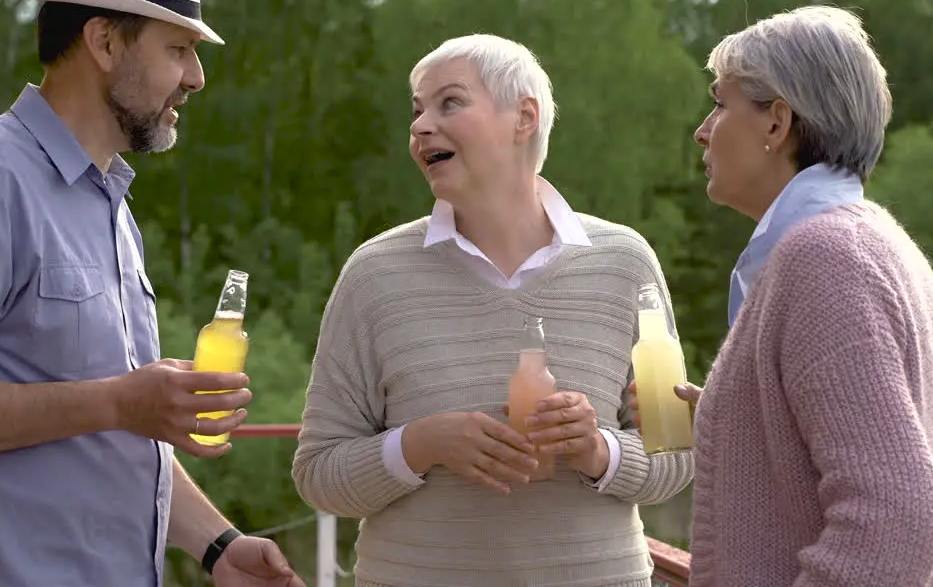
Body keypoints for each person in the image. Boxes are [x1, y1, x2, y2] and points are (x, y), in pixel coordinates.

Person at [0, 0, 304, 587]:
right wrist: (117, 403)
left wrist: (218, 545)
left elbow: (115, 425)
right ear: (103, 42)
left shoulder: (110, 206)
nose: (196, 78)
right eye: (179, 49)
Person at [291, 34, 694, 586]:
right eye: (416, 110)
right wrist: (422, 443)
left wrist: (595, 448)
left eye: (449, 103)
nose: (420, 126)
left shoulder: (627, 262)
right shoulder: (373, 273)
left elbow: (675, 454)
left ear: (523, 117)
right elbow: (319, 474)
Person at [633, 5, 933, 585]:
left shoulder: (826, 259)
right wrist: (724, 416)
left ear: (776, 123)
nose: (702, 129)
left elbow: (894, 520)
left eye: (720, 103)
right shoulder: (873, 243)